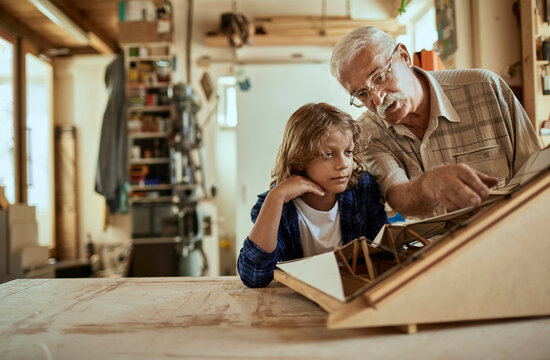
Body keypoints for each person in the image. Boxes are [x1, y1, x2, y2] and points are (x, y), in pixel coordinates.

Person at [330, 26, 541, 219]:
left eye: (379, 77)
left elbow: (536, 173)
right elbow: (397, 196)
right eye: (362, 94)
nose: (377, 99)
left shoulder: (485, 89)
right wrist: (427, 185)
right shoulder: (367, 132)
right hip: (440, 253)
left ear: (404, 57)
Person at [237, 103, 388, 288]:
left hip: (355, 297)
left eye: (348, 152)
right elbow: (254, 277)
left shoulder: (362, 188)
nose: (343, 164)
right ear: (299, 159)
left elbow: (386, 254)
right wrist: (275, 197)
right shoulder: (276, 205)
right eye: (328, 154)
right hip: (300, 304)